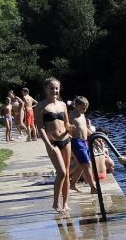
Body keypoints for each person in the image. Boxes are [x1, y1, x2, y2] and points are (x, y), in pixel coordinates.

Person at [36, 77, 73, 214]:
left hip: (66, 140)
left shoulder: (63, 105)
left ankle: (66, 203)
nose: (54, 90)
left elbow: (67, 123)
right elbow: (40, 128)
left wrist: (71, 128)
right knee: (61, 172)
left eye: (56, 88)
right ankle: (55, 202)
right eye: (51, 88)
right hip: (52, 142)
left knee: (67, 173)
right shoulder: (41, 106)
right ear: (46, 89)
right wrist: (48, 144)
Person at [68, 96, 97, 194]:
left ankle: (72, 184)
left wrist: (94, 137)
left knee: (81, 165)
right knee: (87, 164)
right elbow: (65, 126)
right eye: (83, 108)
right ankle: (93, 187)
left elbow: (85, 129)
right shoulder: (71, 115)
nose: (85, 110)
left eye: (86, 108)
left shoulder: (82, 115)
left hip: (85, 142)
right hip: (76, 142)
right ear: (76, 106)